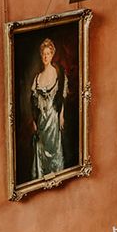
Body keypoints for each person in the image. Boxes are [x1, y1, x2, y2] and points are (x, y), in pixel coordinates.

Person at [30, 38, 68, 179]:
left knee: (54, 148)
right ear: (41, 56)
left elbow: (62, 97)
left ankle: (57, 174)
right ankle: (42, 177)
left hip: (53, 117)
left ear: (52, 55)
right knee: (41, 147)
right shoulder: (37, 78)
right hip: (42, 119)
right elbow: (33, 102)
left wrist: (61, 116)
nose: (46, 57)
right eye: (43, 54)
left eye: (48, 53)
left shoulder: (57, 74)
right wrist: (34, 121)